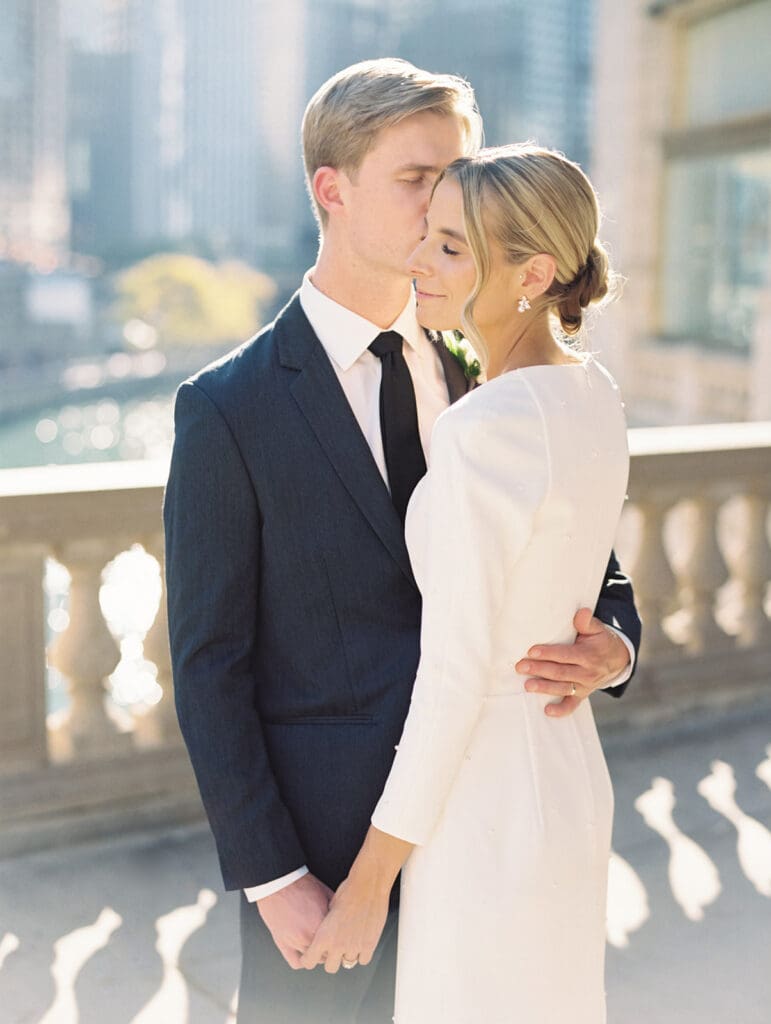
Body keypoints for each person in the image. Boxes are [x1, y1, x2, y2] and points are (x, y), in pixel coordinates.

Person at [163, 60, 641, 1024]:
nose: (447, 203)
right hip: (327, 860)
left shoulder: (485, 368)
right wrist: (271, 876)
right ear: (331, 189)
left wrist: (615, 643)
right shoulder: (228, 408)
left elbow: (582, 550)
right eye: (419, 178)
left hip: (483, 834)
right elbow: (210, 666)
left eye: (460, 174)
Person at [299, 144, 629, 1023]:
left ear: (533, 274)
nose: (418, 261)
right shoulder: (590, 390)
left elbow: (453, 679)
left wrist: (368, 883)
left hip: (484, 805)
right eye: (427, 236)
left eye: (449, 247)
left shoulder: (487, 424)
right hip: (564, 772)